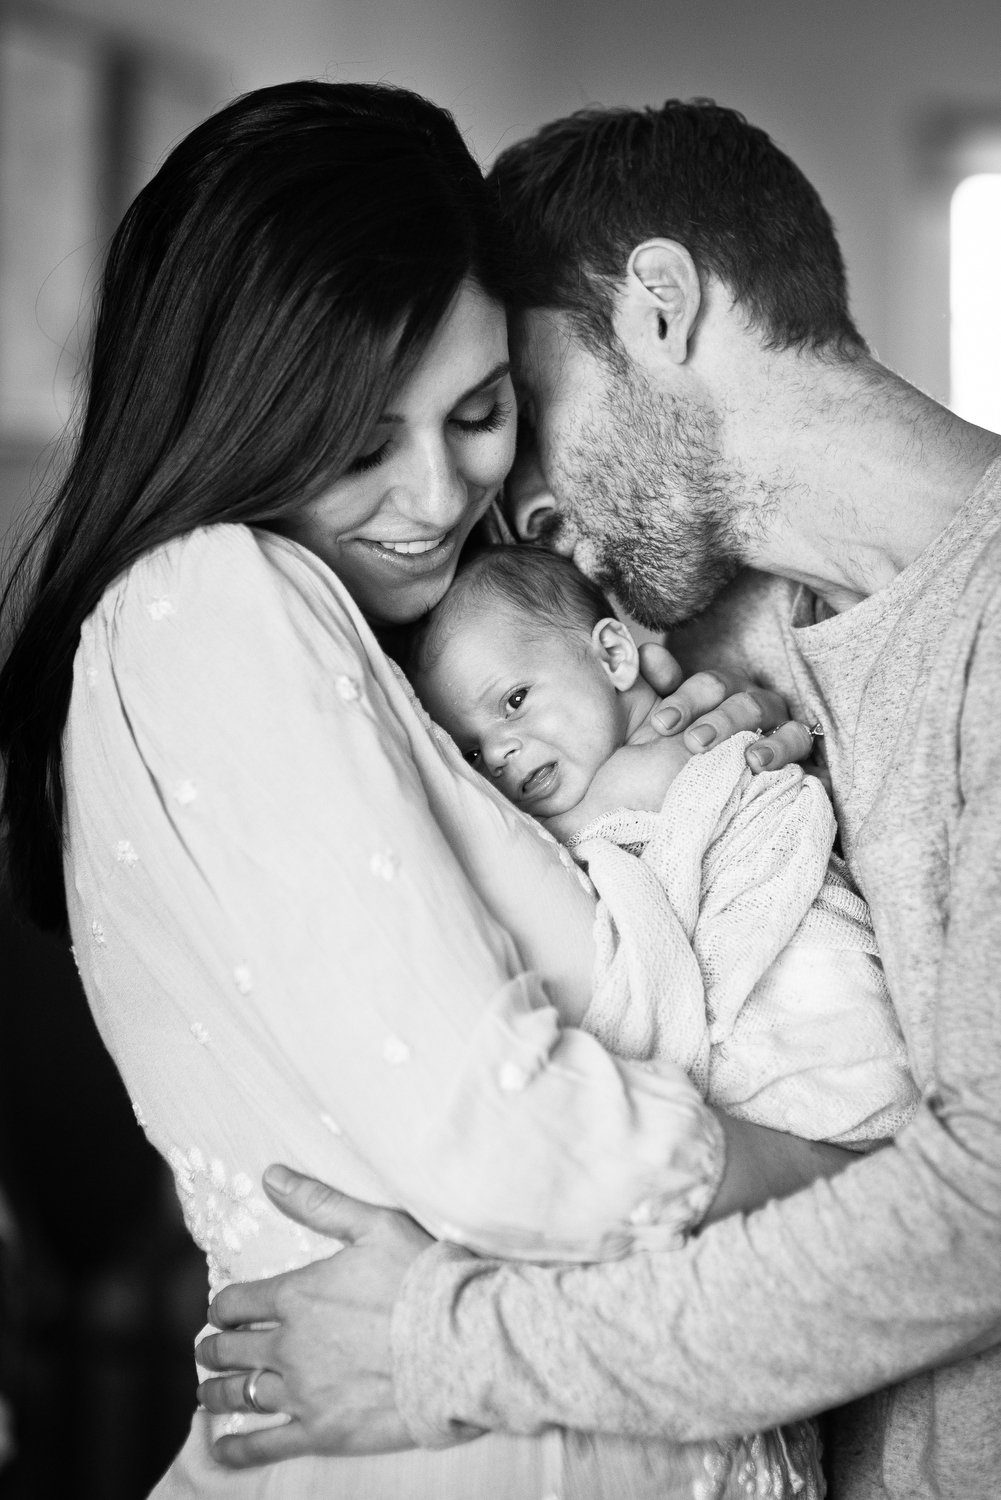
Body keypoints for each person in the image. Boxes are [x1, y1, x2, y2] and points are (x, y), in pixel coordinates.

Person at [0, 82, 846, 1500]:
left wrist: (668, 771)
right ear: (235, 425)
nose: (436, 495)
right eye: (354, 446)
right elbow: (516, 1148)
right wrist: (868, 1194)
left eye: (476, 413)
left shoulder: (417, 648)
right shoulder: (207, 600)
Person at [195, 99, 1001, 1500]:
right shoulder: (712, 664)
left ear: (662, 307)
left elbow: (979, 1217)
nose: (513, 513)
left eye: (518, 401)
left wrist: (440, 1351)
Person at [410, 541, 916, 1146]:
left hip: (814, 1001)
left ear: (614, 656)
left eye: (515, 701)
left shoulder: (658, 756)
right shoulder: (609, 766)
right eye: (470, 751)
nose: (498, 753)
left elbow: (538, 848)